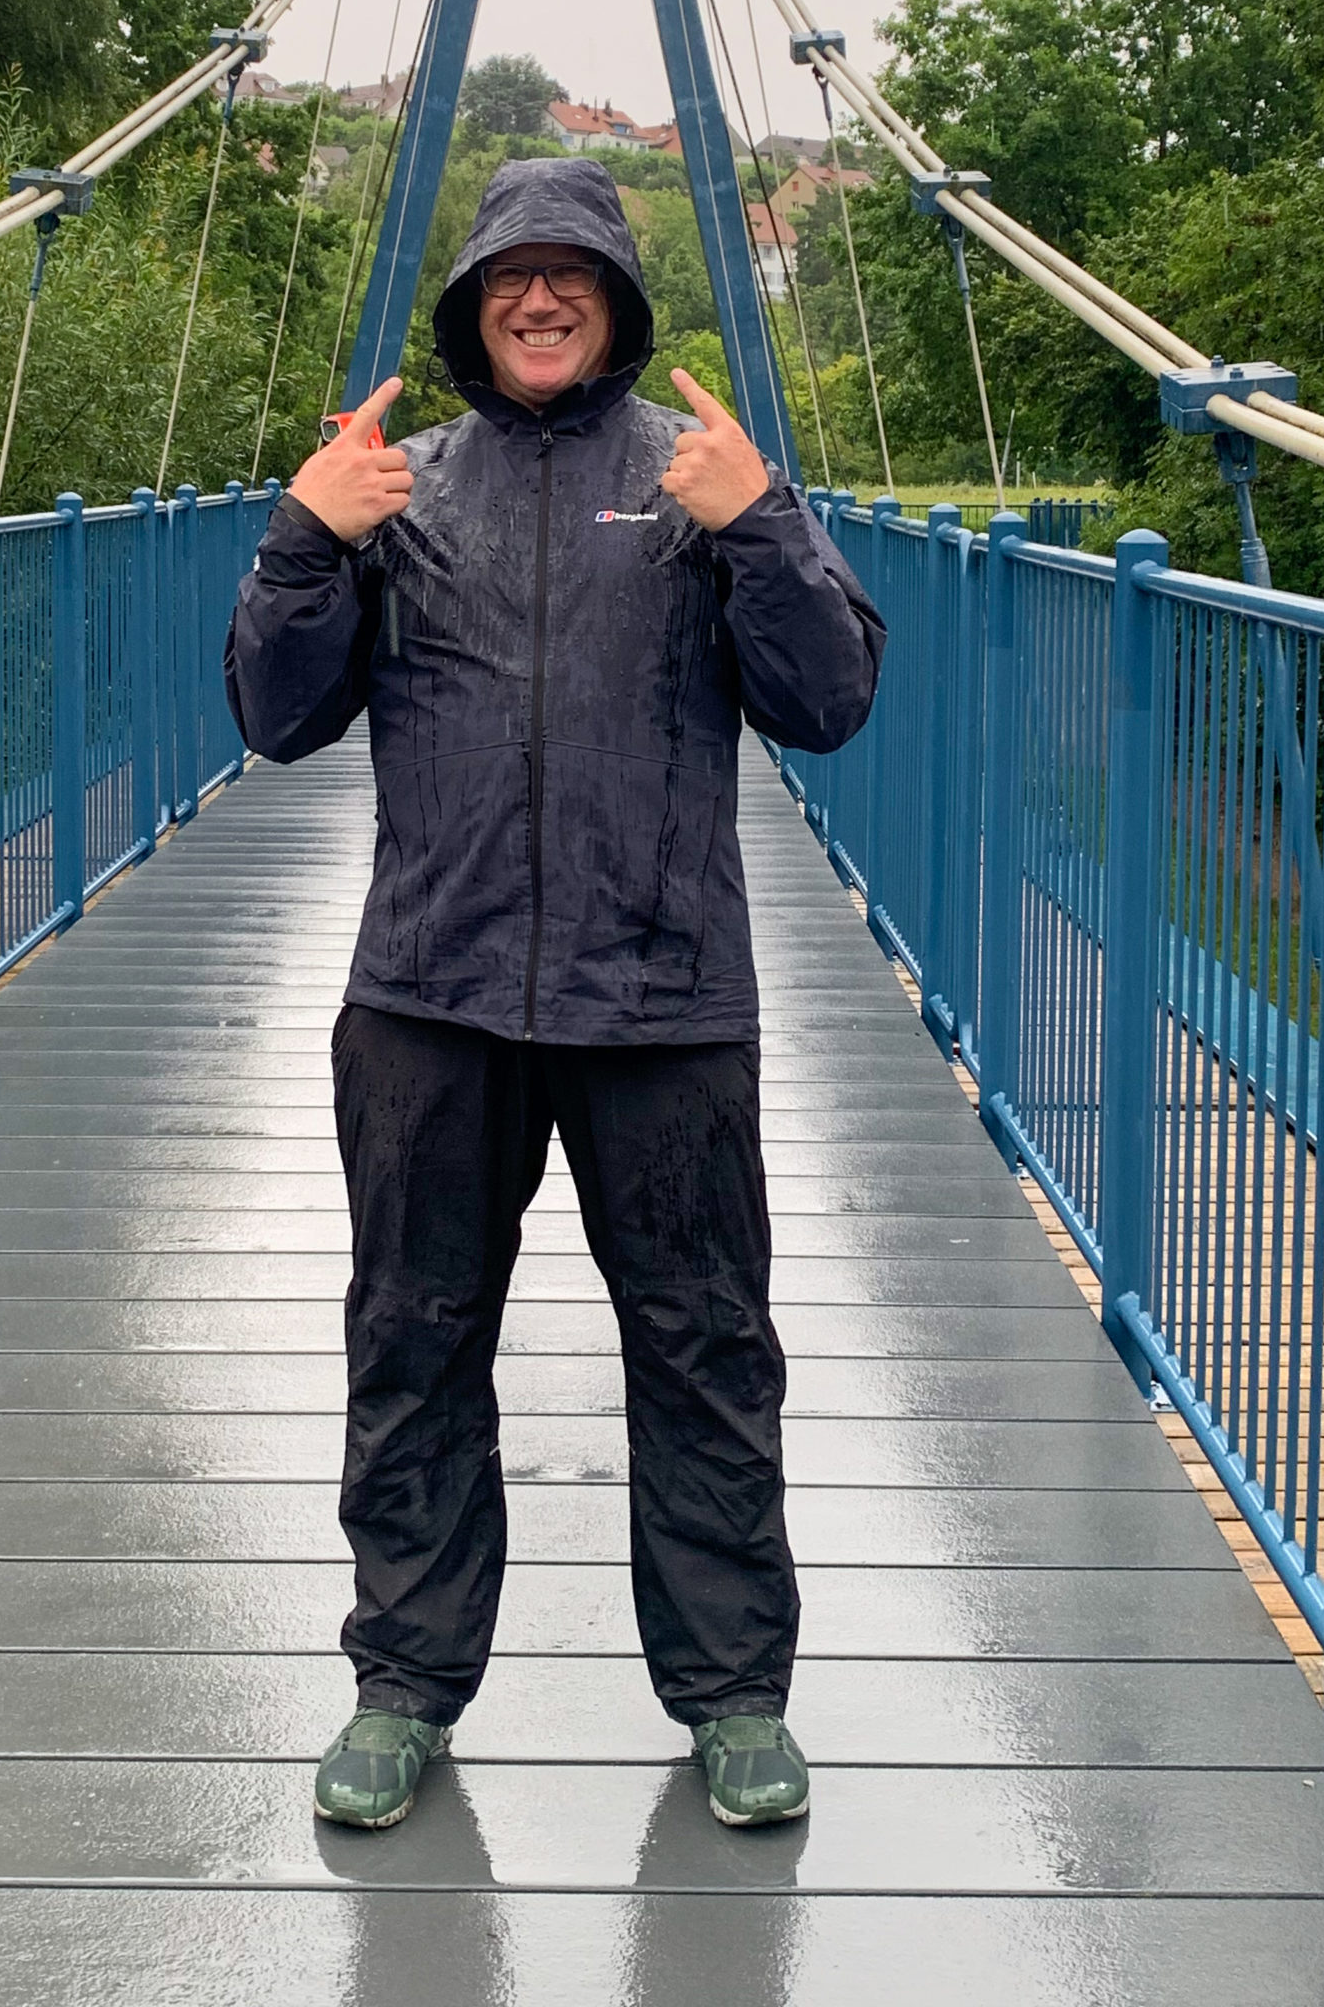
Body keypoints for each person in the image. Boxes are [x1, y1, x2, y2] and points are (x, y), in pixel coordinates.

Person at [226, 157, 884, 1834]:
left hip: (664, 999)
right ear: (472, 309)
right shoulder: (402, 488)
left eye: (568, 275)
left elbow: (829, 703)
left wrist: (765, 526)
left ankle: (734, 1698)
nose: (537, 299)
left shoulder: (695, 477)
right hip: (430, 996)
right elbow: (274, 719)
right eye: (508, 277)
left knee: (706, 1349)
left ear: (614, 303)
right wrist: (305, 536)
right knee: (413, 1343)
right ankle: (403, 1685)